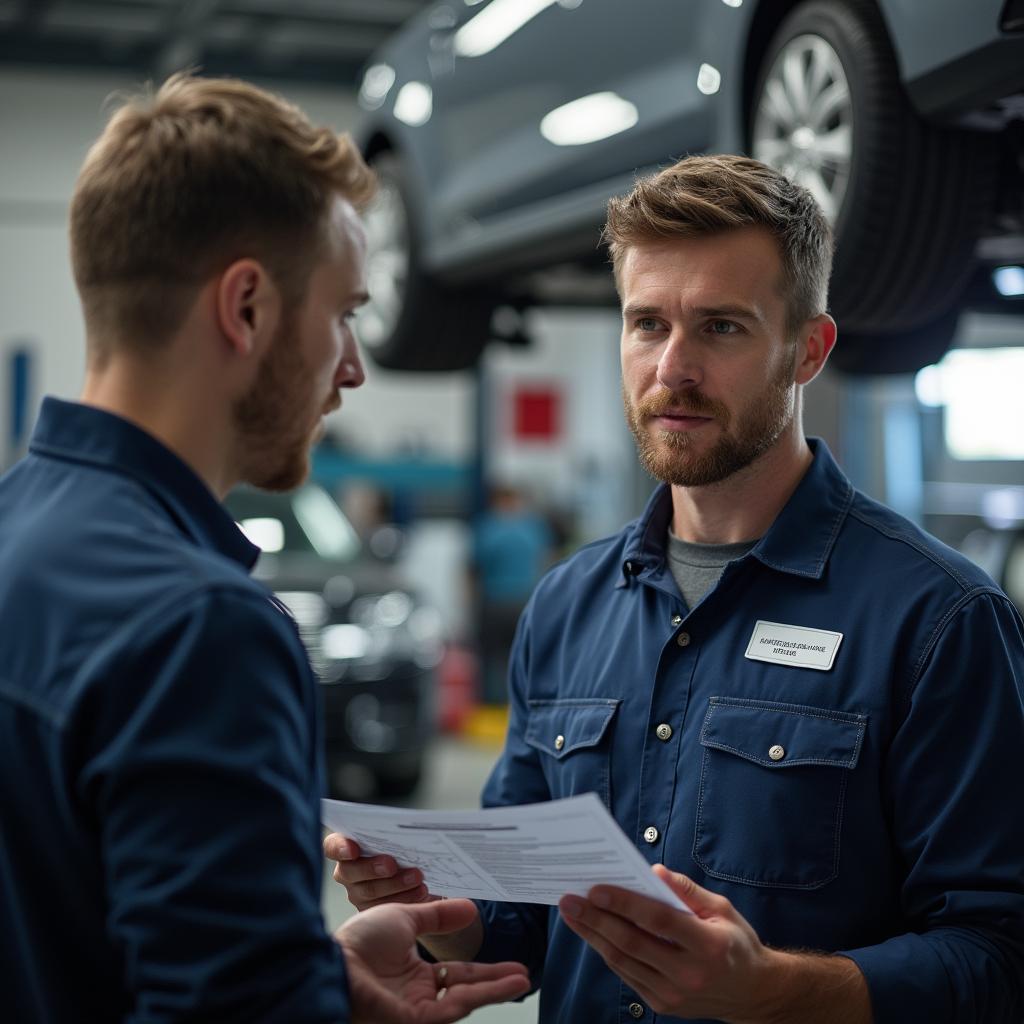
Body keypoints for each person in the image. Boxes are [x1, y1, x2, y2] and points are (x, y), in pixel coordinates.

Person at [327, 155, 1024, 1023]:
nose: (674, 368)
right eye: (647, 323)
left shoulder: (938, 622)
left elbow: (998, 956)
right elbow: (523, 931)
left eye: (721, 327)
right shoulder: (567, 607)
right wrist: (434, 909)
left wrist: (770, 990)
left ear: (808, 349)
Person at [0, 73, 529, 1023]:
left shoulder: (16, 536)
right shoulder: (200, 627)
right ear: (245, 307)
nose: (353, 367)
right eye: (342, 314)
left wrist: (304, 979)